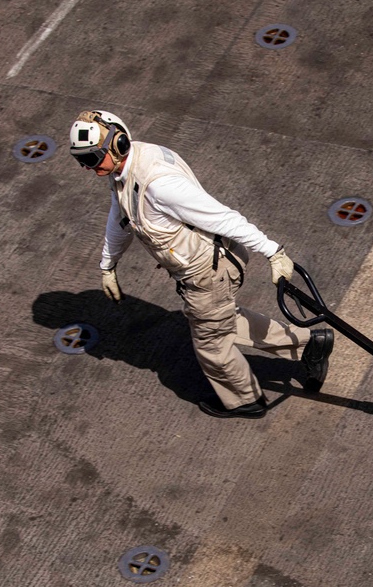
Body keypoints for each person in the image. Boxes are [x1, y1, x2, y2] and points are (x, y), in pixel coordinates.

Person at [68, 110, 333, 419]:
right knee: (220, 321)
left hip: (208, 271)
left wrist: (273, 252)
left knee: (211, 345)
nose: (91, 168)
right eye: (82, 161)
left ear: (119, 143)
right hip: (209, 265)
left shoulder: (158, 184)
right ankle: (309, 344)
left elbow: (222, 217)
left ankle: (245, 399)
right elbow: (121, 216)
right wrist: (108, 264)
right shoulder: (127, 170)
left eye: (93, 158)